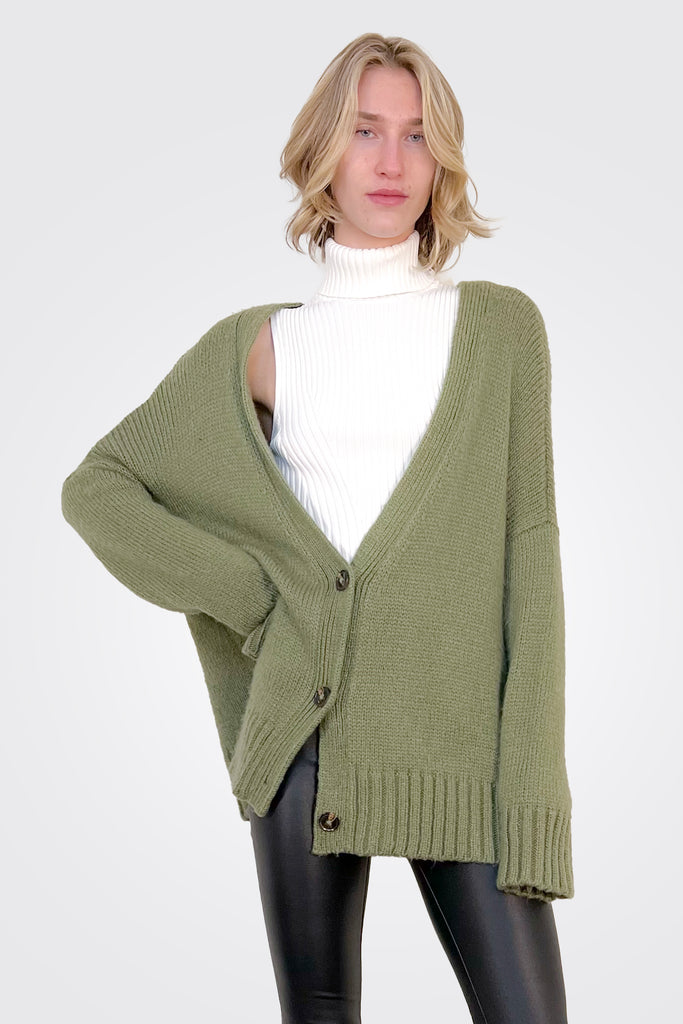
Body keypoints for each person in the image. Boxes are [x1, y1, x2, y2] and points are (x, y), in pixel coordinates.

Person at [62, 32, 574, 1024]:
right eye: (364, 131)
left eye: (417, 136)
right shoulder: (261, 346)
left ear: (443, 160)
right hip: (307, 745)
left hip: (463, 752)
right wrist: (255, 599)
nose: (391, 161)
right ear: (321, 152)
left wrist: (533, 797)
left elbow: (531, 561)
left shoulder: (503, 329)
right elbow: (100, 488)